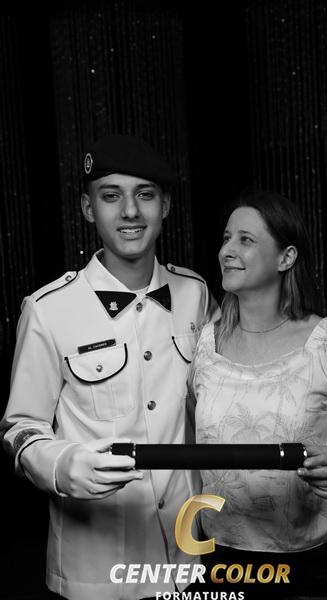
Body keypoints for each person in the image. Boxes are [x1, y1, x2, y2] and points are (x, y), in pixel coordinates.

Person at [0, 134, 219, 600]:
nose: (130, 212)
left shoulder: (196, 294)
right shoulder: (47, 310)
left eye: (145, 195)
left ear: (165, 206)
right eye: (111, 196)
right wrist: (61, 465)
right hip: (97, 575)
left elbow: (224, 398)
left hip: (188, 560)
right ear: (88, 209)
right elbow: (20, 429)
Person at [188, 189, 327, 599]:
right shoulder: (205, 345)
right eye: (226, 238)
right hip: (222, 559)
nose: (227, 250)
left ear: (286, 258)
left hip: (319, 568)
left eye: (246, 240)